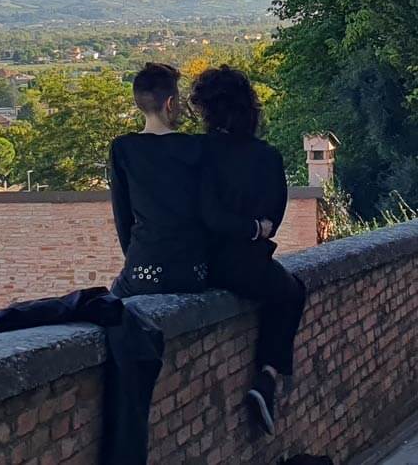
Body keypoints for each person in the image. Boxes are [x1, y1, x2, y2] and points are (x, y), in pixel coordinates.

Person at [190, 65, 307, 436]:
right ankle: (267, 376)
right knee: (291, 290)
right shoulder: (267, 156)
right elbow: (276, 216)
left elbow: (200, 212)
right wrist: (256, 229)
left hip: (200, 263)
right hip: (247, 264)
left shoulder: (194, 153)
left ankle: (267, 380)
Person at [109, 63, 209, 297]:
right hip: (193, 271)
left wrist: (136, 259)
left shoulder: (123, 148)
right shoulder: (195, 146)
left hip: (144, 268)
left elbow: (122, 216)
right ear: (170, 103)